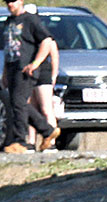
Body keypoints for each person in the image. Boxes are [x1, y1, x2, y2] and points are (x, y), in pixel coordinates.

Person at [2, 0, 60, 153]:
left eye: (13, 1)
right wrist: (5, 73)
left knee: (19, 103)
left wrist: (35, 63)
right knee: (17, 103)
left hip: (26, 69)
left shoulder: (30, 20)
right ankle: (48, 131)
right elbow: (9, 48)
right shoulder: (9, 21)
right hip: (12, 68)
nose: (10, 4)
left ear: (21, 1)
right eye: (7, 2)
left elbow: (47, 41)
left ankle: (20, 141)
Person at [24, 3, 59, 150]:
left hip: (43, 74)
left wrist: (53, 77)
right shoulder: (24, 34)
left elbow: (54, 57)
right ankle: (31, 142)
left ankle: (51, 142)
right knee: (31, 108)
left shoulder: (45, 36)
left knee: (46, 108)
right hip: (28, 74)